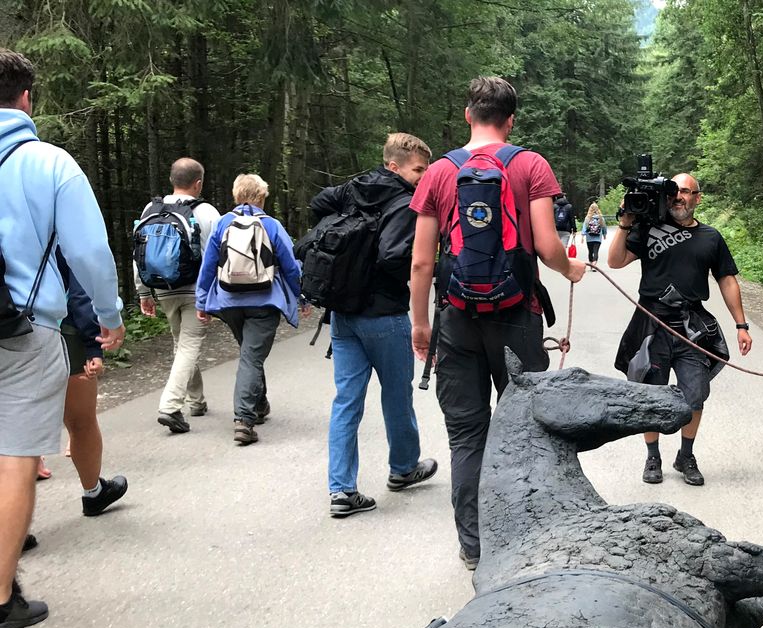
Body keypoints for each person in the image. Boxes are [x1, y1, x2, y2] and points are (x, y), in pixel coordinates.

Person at [408, 75, 585, 570]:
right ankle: (525, 538)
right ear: (510, 120)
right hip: (518, 318)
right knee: (526, 431)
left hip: (456, 319)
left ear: (468, 114)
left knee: (467, 436)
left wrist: (421, 325)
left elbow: (422, 263)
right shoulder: (531, 165)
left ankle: (474, 547)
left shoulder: (438, 172)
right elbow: (548, 247)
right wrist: (571, 269)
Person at [0, 48, 124, 628]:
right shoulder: (47, 162)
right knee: (16, 456)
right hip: (21, 331)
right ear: (27, 98)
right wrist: (109, 316)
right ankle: (2, 598)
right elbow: (90, 253)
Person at [309, 133, 438, 518]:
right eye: (418, 169)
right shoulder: (405, 203)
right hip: (384, 314)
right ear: (394, 166)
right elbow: (393, 257)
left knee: (346, 400)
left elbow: (319, 204)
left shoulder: (353, 189)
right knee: (396, 395)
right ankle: (403, 468)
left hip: (343, 312)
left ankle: (342, 490)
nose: (424, 176)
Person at [609, 172, 752, 486]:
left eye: (686, 192)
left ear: (697, 198)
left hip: (692, 326)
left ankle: (685, 455)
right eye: (674, 191)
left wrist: (741, 325)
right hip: (652, 322)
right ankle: (653, 456)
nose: (679, 197)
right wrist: (625, 222)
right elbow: (615, 262)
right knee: (651, 393)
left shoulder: (711, 237)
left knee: (695, 394)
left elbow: (727, 280)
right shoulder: (647, 228)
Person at [195, 173, 302, 446]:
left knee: (249, 354)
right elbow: (290, 266)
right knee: (251, 358)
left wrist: (202, 300)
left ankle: (259, 404)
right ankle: (244, 420)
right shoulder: (272, 225)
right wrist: (302, 297)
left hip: (229, 301)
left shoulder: (223, 223)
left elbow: (209, 265)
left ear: (236, 195)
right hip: (264, 302)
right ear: (262, 197)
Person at [136, 158, 222, 435]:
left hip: (162, 288)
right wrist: (211, 294)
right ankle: (170, 406)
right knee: (188, 345)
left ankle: (196, 402)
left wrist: (143, 292)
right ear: (198, 183)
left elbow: (138, 254)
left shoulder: (152, 209)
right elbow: (217, 256)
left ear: (172, 180)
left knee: (182, 344)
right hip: (195, 288)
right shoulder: (207, 212)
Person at [59, 256, 128, 516]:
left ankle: (12, 520)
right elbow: (84, 274)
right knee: (81, 421)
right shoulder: (50, 214)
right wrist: (92, 344)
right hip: (56, 329)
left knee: (14, 427)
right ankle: (93, 492)